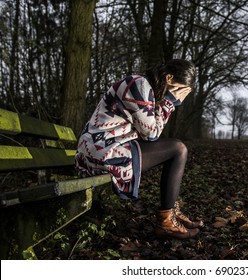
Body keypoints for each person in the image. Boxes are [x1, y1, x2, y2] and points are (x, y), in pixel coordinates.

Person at [75, 58, 203, 239]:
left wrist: (166, 102)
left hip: (103, 148)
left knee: (176, 149)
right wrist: (170, 102)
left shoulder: (147, 88)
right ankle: (166, 220)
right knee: (178, 149)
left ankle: (169, 212)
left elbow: (151, 131)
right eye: (178, 89)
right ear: (169, 78)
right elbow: (151, 134)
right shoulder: (138, 85)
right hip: (100, 152)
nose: (177, 95)